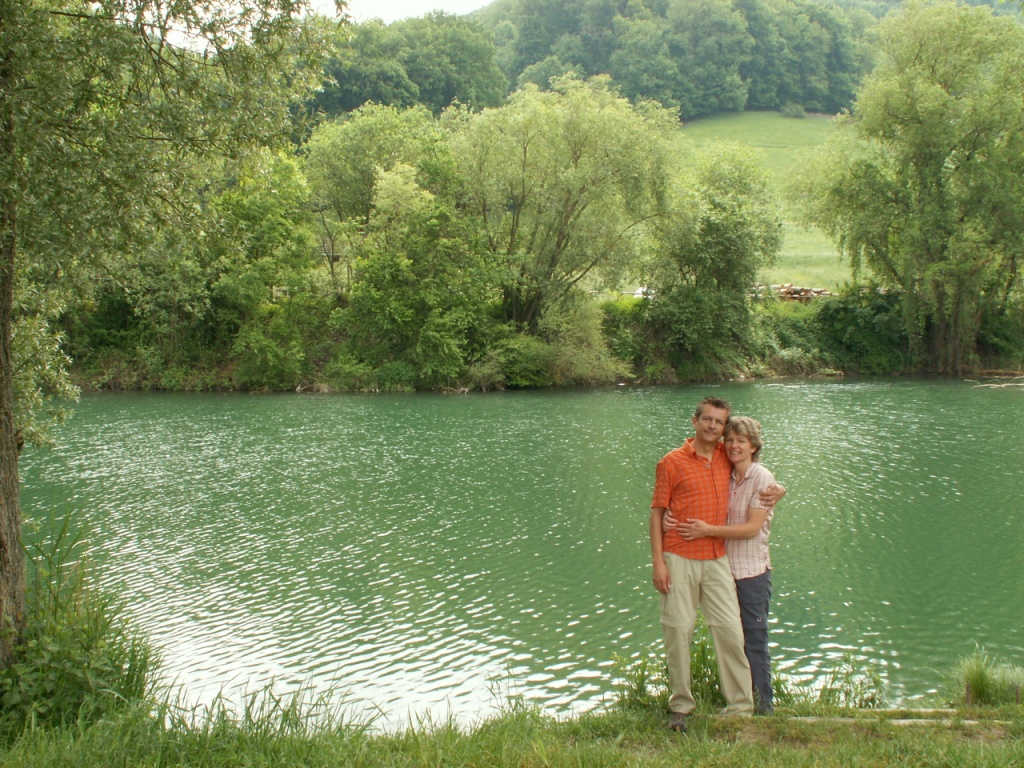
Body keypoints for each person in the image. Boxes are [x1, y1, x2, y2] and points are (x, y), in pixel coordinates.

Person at [649, 396, 782, 732]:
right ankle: (681, 707)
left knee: (730, 632)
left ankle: (740, 707)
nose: (712, 426)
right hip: (678, 556)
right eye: (706, 419)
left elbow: (760, 474)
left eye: (719, 422)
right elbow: (656, 514)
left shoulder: (727, 456)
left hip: (717, 558)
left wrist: (779, 489)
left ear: (724, 428)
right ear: (695, 422)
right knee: (679, 631)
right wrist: (658, 563)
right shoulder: (671, 462)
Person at [676, 416, 777, 714]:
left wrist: (707, 530)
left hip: (751, 573)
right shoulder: (724, 474)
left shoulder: (762, 477)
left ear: (754, 446)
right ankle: (738, 703)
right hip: (720, 572)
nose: (733, 446)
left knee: (753, 640)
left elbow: (751, 528)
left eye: (741, 441)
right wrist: (670, 516)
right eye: (730, 440)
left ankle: (763, 708)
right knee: (732, 640)